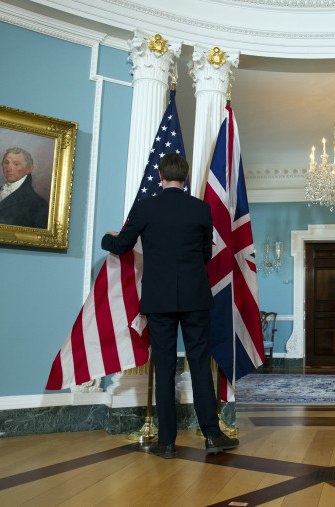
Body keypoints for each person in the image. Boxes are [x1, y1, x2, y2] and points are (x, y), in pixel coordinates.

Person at [101, 153, 238, 458]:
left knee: (163, 367)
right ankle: (213, 436)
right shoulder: (201, 209)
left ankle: (166, 442)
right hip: (195, 296)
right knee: (200, 364)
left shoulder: (146, 207)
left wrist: (107, 239)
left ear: (160, 176)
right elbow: (205, 255)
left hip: (158, 299)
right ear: (185, 178)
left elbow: (122, 245)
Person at [0, 147, 48, 228]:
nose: (9, 169)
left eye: (16, 164)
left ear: (29, 169)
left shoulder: (38, 205)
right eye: (6, 163)